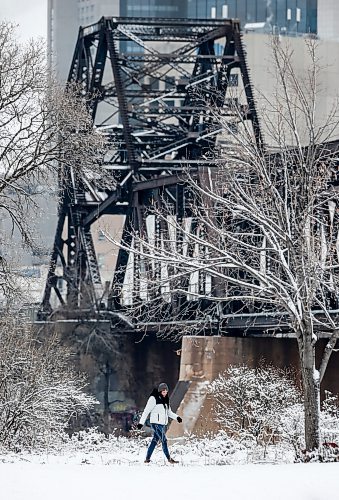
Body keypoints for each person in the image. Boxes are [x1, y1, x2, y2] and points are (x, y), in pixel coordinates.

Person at [137, 382, 182, 464]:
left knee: (154, 441)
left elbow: (169, 412)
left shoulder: (166, 400)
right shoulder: (153, 399)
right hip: (155, 424)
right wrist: (141, 423)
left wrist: (177, 417)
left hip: (162, 424)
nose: (165, 394)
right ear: (160, 391)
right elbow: (146, 411)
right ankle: (169, 459)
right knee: (164, 440)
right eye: (163, 392)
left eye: (166, 392)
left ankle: (147, 459)